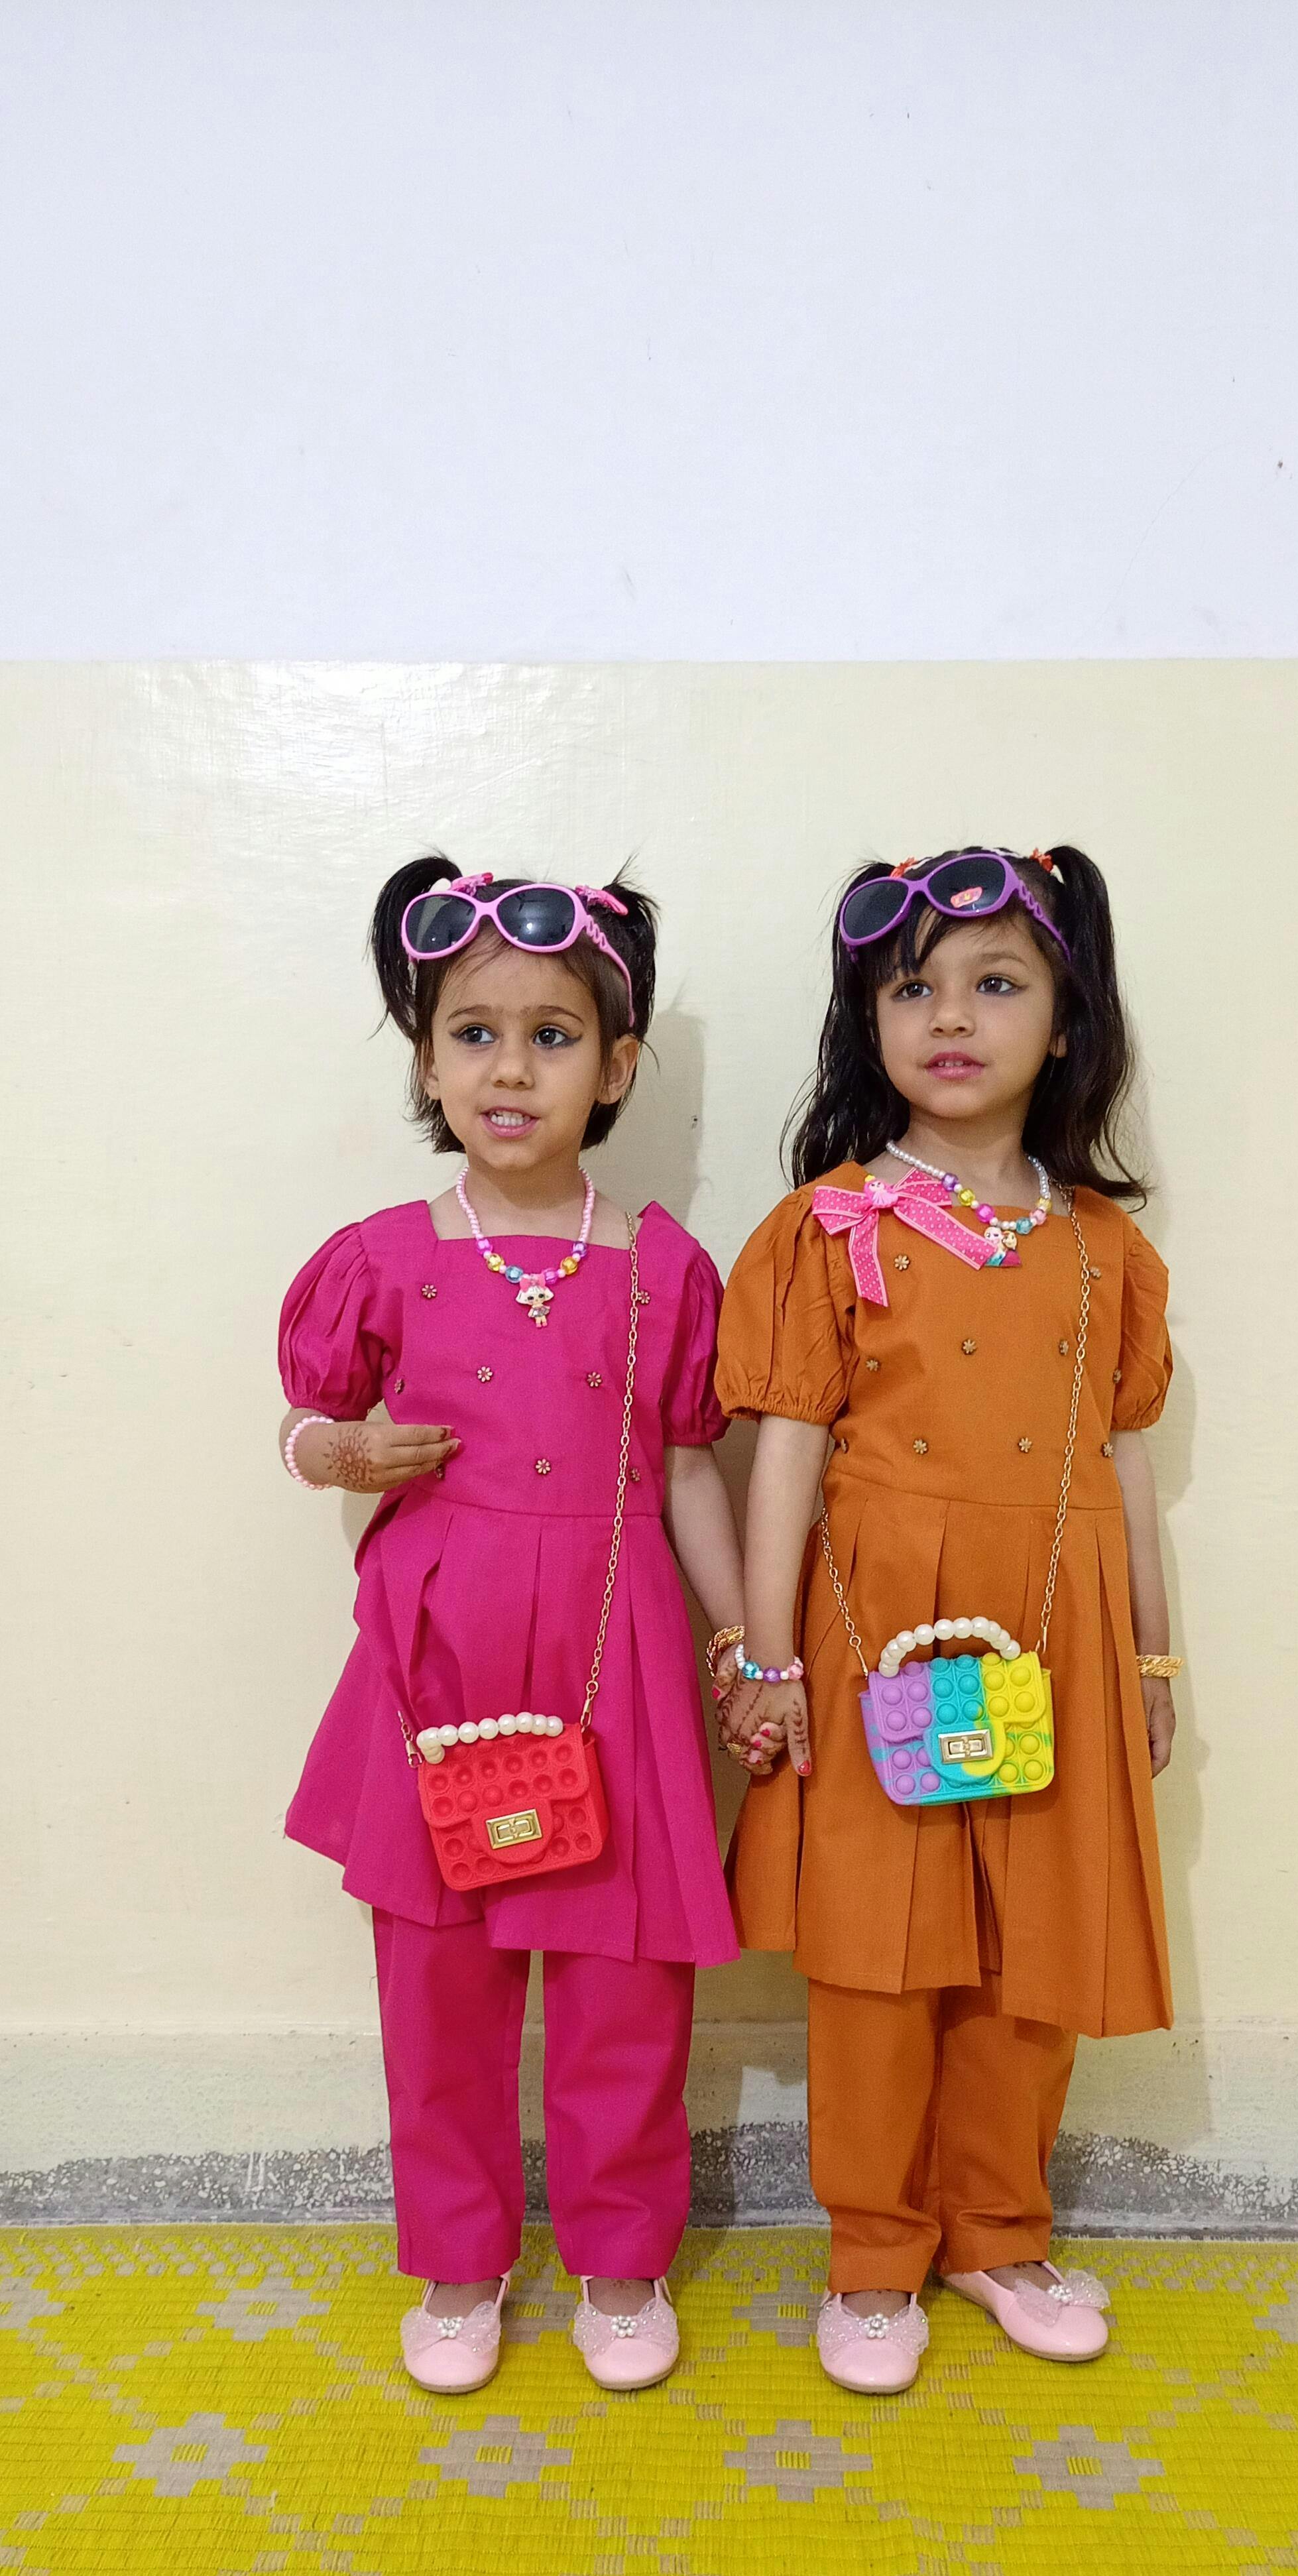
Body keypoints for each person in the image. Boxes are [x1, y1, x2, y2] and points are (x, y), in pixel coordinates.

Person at [715, 848, 1178, 2392]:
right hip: (880, 1634)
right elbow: (786, 1446)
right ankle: (872, 2254)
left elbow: (1123, 1460)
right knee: (880, 1951)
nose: (953, 1017)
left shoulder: (1102, 1248)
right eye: (912, 987)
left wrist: (1153, 1652)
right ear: (869, 1021)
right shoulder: (825, 1227)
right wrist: (769, 1656)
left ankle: (1000, 2230)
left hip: (1058, 1636)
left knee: (1032, 1948)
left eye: (997, 983)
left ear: (1068, 1018)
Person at [278, 860, 743, 2396]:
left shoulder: (662, 1266)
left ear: (615, 1066)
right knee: (438, 1987)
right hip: (438, 1669)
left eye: (553, 1035)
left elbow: (690, 1467)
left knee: (625, 1982)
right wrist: (338, 1453)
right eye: (473, 1034)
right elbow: (305, 1420)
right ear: (426, 1061)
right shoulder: (382, 1257)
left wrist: (745, 1641)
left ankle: (622, 2259)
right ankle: (461, 2262)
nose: (510, 1068)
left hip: (619, 1662)